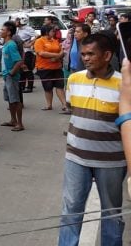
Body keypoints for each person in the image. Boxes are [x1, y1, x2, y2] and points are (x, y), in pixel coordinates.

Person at [59, 34, 125, 245]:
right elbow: (73, 110)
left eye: (91, 54)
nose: (85, 58)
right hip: (76, 157)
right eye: (83, 54)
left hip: (112, 161)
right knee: (71, 209)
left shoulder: (124, 84)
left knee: (111, 212)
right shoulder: (74, 79)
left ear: (107, 55)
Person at [34, 25, 68, 111]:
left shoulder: (55, 41)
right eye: (52, 31)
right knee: (48, 87)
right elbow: (41, 53)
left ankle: (64, 104)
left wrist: (57, 57)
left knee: (60, 86)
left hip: (57, 67)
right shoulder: (39, 41)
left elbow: (62, 50)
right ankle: (49, 105)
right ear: (46, 32)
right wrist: (57, 55)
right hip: (44, 68)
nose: (54, 33)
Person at [0, 21, 25, 132]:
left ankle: (20, 123)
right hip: (6, 75)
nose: (0, 32)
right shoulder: (6, 44)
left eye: (3, 30)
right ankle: (13, 120)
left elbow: (19, 61)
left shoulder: (11, 45)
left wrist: (11, 72)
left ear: (9, 32)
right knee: (10, 99)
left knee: (15, 100)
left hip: (11, 76)